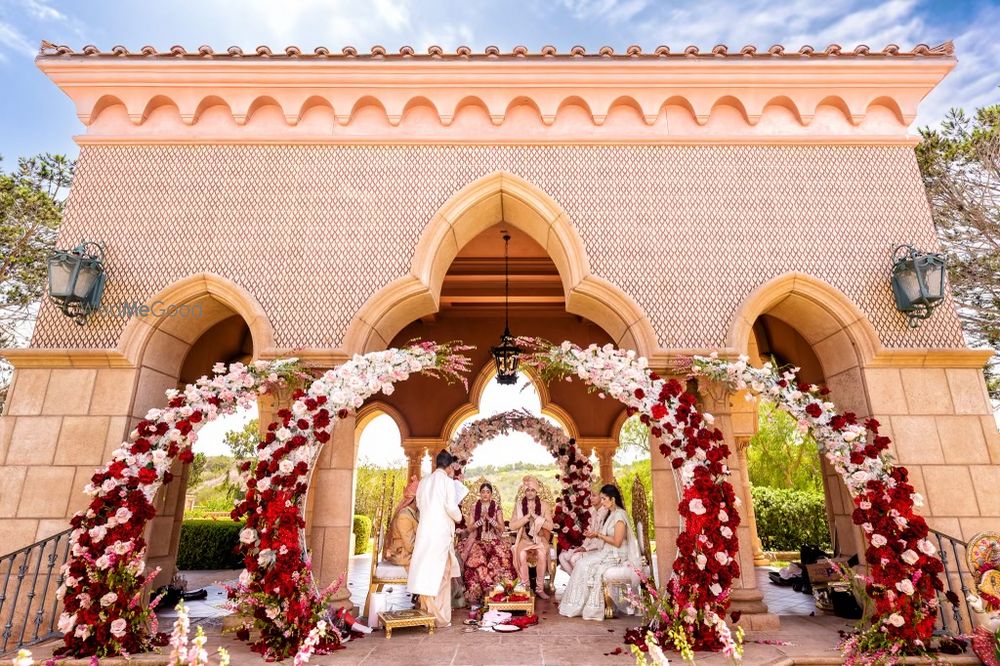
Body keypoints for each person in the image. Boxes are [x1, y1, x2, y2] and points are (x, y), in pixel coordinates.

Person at [558, 484, 642, 621]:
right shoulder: (612, 514)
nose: (602, 502)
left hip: (617, 555)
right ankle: (575, 604)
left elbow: (617, 542)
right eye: (601, 498)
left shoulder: (620, 516)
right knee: (581, 563)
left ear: (612, 499)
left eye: (604, 499)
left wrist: (598, 535)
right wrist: (594, 535)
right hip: (607, 552)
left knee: (585, 565)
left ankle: (592, 607)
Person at [407, 450, 463, 627]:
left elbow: (420, 505)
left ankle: (426, 612)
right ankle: (440, 618)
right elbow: (451, 508)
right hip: (440, 533)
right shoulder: (447, 482)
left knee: (426, 571)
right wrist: (460, 517)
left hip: (425, 531)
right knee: (441, 574)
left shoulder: (424, 481)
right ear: (449, 467)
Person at [460, 482, 516, 608]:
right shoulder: (474, 506)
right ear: (480, 493)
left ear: (491, 494)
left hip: (493, 539)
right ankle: (479, 593)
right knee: (477, 560)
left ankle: (498, 592)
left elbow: (501, 528)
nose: (485, 494)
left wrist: (490, 519)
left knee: (502, 558)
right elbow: (469, 529)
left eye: (488, 492)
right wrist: (480, 521)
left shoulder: (496, 507)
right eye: (483, 492)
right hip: (477, 539)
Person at [509, 475, 554, 600]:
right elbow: (512, 525)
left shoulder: (544, 505)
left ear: (536, 491)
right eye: (527, 490)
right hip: (524, 540)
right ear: (524, 491)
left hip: (539, 539)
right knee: (521, 555)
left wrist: (536, 517)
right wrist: (526, 518)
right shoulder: (518, 505)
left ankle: (539, 589)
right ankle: (526, 587)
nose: (530, 493)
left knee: (541, 553)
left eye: (532, 490)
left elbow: (550, 526)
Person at [558, 491, 610, 575]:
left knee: (574, 559)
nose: (590, 498)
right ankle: (577, 582)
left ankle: (584, 585)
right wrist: (583, 547)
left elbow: (602, 539)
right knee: (562, 556)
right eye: (590, 496)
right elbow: (589, 535)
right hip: (589, 547)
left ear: (602, 497)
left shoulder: (606, 514)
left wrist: (585, 549)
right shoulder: (593, 513)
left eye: (594, 495)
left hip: (599, 549)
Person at [384, 476, 419, 568]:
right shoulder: (404, 516)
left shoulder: (412, 513)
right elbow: (410, 546)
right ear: (415, 499)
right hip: (402, 555)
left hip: (407, 553)